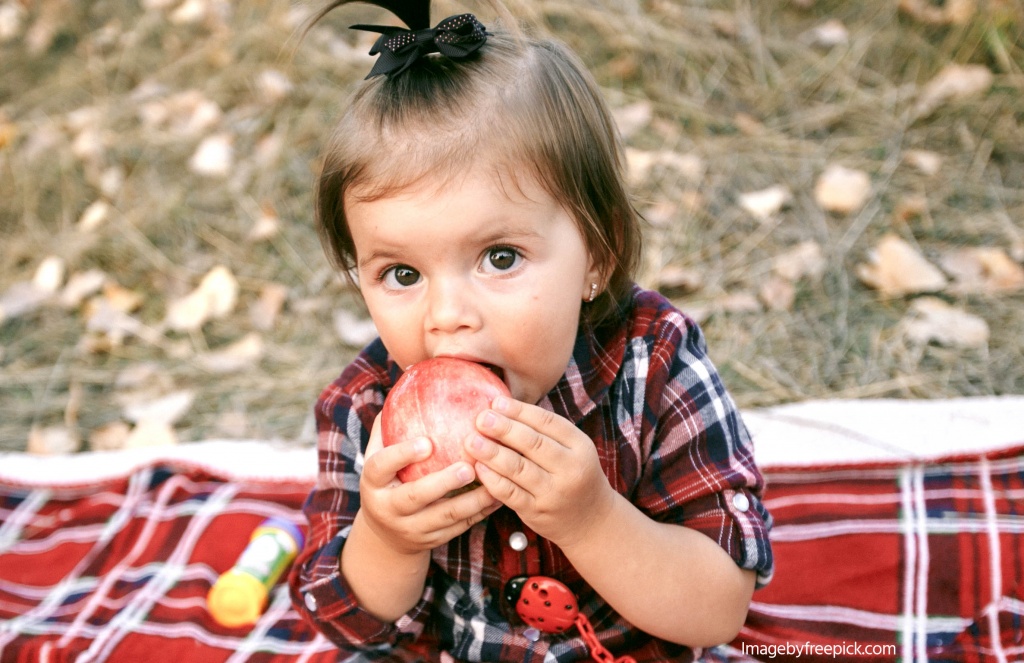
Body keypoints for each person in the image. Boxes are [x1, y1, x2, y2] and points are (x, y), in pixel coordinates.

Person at [288, 1, 773, 661]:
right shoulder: (365, 407)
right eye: (402, 273)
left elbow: (719, 608)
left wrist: (593, 519)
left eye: (500, 257)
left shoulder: (654, 362)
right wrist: (388, 538)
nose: (446, 315)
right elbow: (346, 626)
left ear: (598, 253)